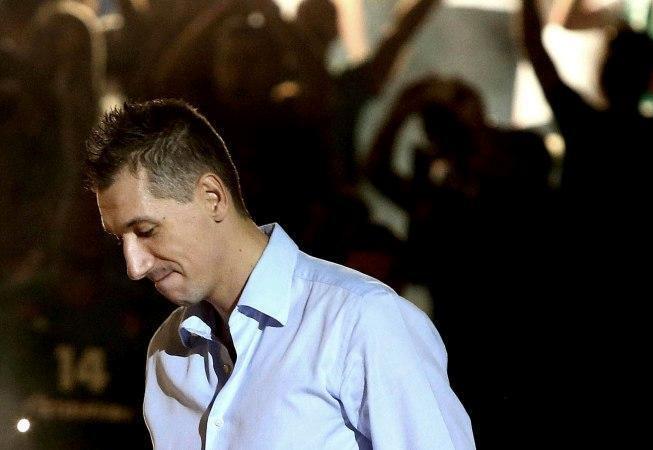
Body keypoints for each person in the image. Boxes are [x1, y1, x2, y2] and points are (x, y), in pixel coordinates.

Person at [84, 99, 475, 449]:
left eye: (146, 230)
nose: (134, 266)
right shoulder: (167, 352)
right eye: (120, 239)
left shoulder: (363, 321)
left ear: (212, 197)